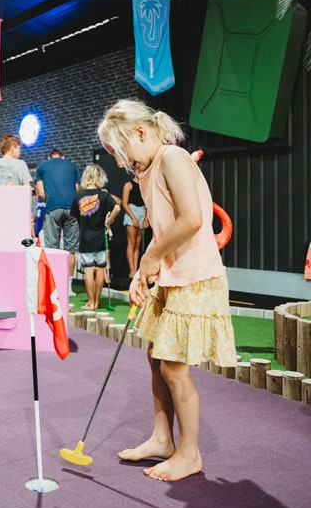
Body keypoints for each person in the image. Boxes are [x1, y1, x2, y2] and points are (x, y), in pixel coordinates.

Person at [98, 99, 237, 482]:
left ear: (140, 133)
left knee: (174, 367)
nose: (123, 164)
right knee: (155, 355)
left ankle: (190, 454)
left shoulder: (173, 157)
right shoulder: (148, 170)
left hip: (194, 275)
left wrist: (151, 256)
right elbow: (162, 228)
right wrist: (145, 270)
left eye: (122, 152)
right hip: (171, 275)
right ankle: (163, 438)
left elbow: (193, 220)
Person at [70, 164, 120, 310]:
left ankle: (90, 303)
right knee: (100, 269)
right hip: (100, 237)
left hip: (85, 238)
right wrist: (108, 222)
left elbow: (73, 217)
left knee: (88, 271)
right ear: (100, 178)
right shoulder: (104, 195)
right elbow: (117, 207)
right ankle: (97, 302)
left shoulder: (79, 195)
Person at [35, 149, 81, 295]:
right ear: (63, 156)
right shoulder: (72, 165)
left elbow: (41, 192)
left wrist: (52, 200)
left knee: (52, 248)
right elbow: (77, 189)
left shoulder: (42, 166)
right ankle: (69, 287)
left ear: (49, 157)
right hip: (71, 209)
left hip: (52, 208)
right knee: (71, 249)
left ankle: (53, 285)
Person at [122, 176, 148, 278]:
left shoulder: (145, 185)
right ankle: (131, 270)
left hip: (142, 212)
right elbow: (124, 203)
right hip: (131, 212)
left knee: (137, 244)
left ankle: (136, 268)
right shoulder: (128, 185)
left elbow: (148, 203)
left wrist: (146, 218)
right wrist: (133, 217)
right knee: (131, 243)